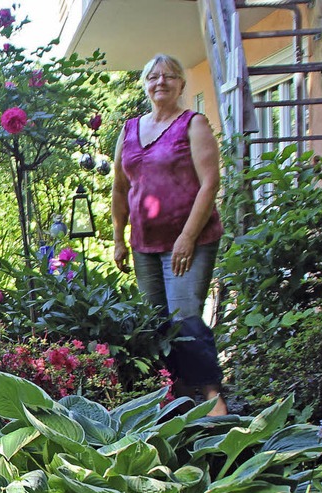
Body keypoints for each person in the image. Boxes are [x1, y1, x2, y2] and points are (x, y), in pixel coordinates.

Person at [112, 53, 228, 416]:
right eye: (153, 77)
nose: (161, 82)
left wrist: (188, 237)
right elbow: (119, 188)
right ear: (145, 84)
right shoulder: (129, 129)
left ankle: (213, 398)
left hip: (189, 241)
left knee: (185, 318)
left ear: (181, 84)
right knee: (157, 324)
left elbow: (210, 183)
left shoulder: (193, 124)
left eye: (169, 76)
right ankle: (176, 400)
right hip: (144, 243)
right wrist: (118, 236)